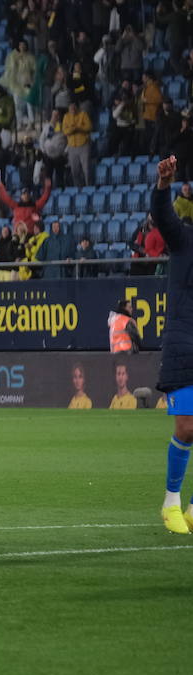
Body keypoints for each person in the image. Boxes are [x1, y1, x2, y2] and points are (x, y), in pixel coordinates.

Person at [151, 156, 193, 534]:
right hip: (184, 345)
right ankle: (171, 502)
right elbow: (162, 216)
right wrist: (164, 184)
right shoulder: (185, 239)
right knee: (188, 427)